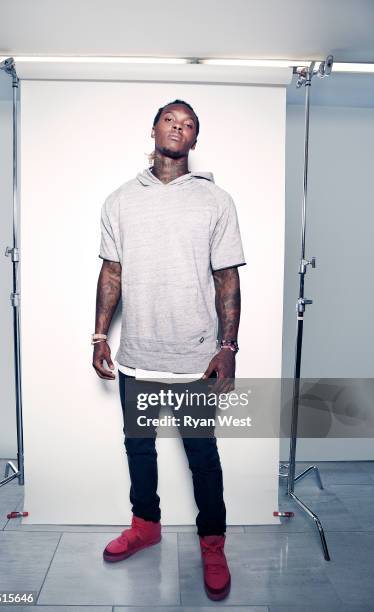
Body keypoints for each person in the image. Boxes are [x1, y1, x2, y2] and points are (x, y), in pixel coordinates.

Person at [92, 99, 246, 601]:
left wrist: (228, 346)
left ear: (195, 141)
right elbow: (111, 272)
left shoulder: (215, 200)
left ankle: (212, 543)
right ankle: (146, 525)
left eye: (189, 124)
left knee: (203, 456)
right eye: (170, 120)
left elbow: (227, 278)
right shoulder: (119, 200)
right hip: (137, 354)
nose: (178, 128)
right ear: (154, 129)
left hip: (195, 358)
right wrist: (99, 335)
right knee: (138, 448)